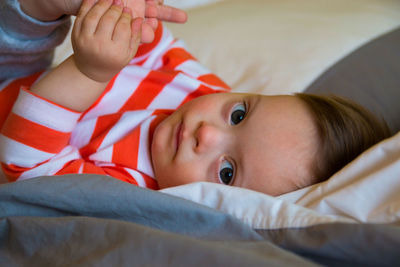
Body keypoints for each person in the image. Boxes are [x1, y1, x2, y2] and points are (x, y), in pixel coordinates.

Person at [0, 0, 391, 196]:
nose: (207, 135)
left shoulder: (136, 187)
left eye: (227, 172)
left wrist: (89, 71)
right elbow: (154, 48)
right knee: (41, 7)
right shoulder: (205, 89)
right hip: (18, 71)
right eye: (239, 114)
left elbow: (24, 164)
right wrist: (131, 17)